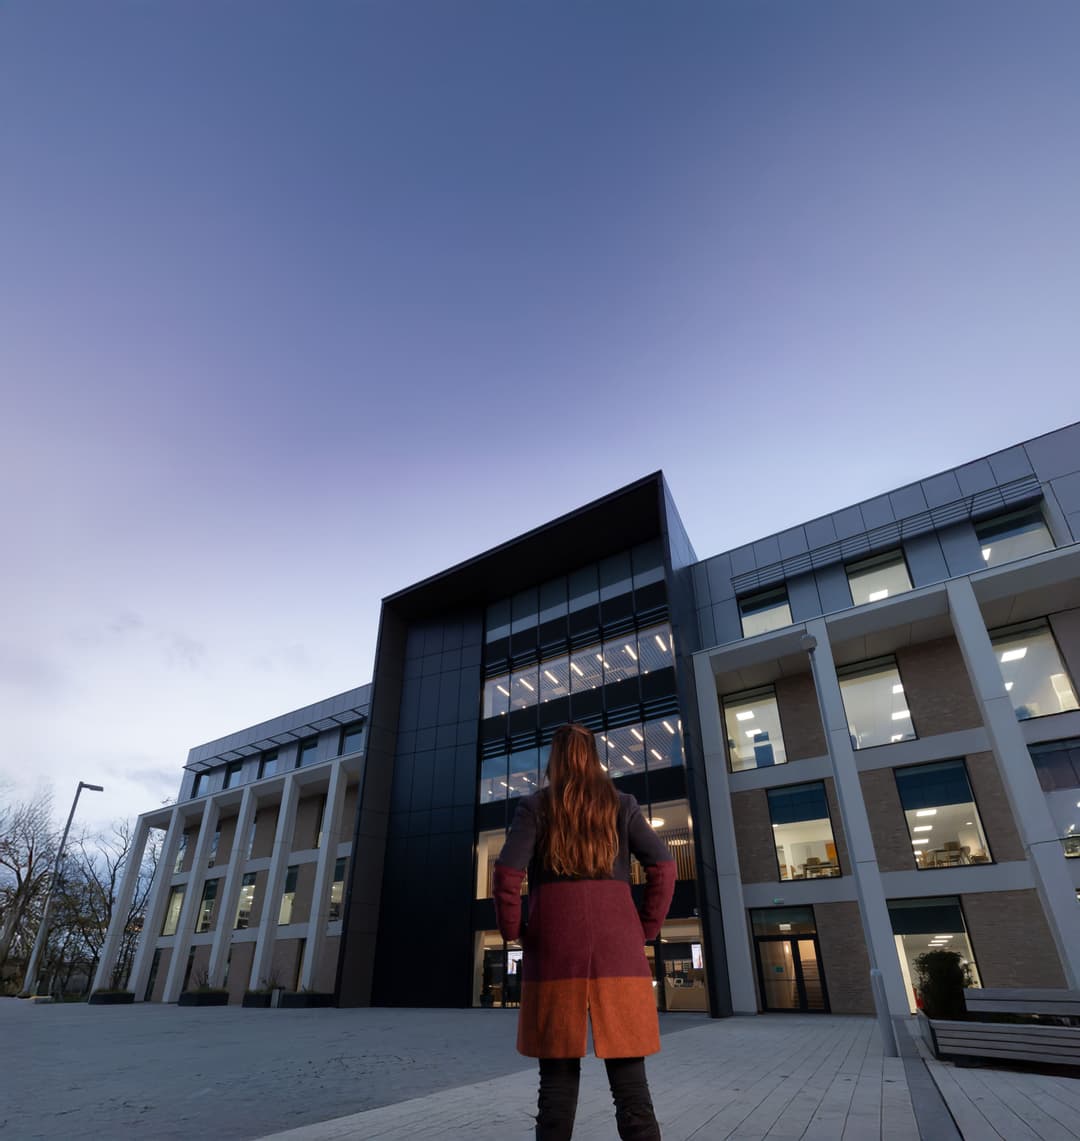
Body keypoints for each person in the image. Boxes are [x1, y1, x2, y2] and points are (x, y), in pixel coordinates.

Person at [493, 722, 676, 1141]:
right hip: (619, 951)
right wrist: (644, 928)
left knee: (556, 1082)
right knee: (631, 1085)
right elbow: (664, 867)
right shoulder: (622, 803)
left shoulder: (536, 806)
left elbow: (506, 873)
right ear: (594, 756)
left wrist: (514, 930)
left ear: (554, 758)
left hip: (555, 949)